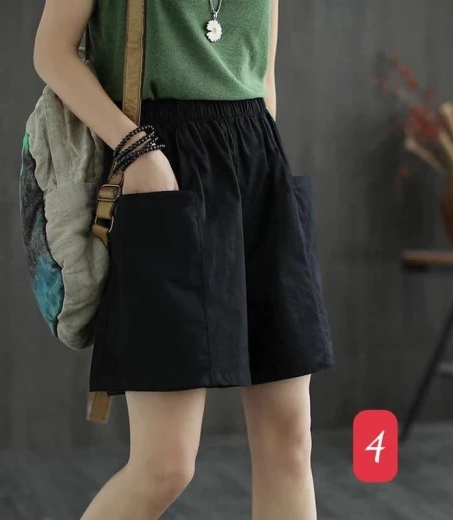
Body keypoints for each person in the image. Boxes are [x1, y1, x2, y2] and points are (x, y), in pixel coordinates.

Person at [33, 0, 335, 518]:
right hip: (158, 161)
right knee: (165, 465)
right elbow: (52, 52)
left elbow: (262, 75)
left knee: (289, 441)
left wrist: (262, 175)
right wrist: (135, 149)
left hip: (257, 168)